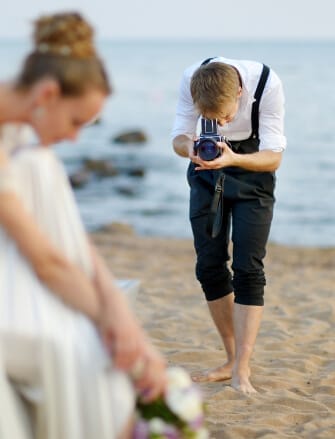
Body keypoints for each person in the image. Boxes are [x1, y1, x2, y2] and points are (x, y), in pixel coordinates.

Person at [0, 12, 166, 439]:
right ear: (48, 93)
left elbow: (73, 246)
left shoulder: (21, 129)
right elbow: (45, 258)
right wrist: (115, 327)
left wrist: (114, 308)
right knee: (85, 354)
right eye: (76, 121)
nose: (77, 139)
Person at [171, 56, 286, 393]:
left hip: (254, 174)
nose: (220, 124)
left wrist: (234, 157)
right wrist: (188, 149)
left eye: (225, 117)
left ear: (239, 92)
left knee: (248, 267)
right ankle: (230, 358)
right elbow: (178, 136)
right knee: (208, 266)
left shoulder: (267, 84)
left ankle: (242, 369)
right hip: (207, 173)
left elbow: (274, 156)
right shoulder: (191, 77)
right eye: (211, 119)